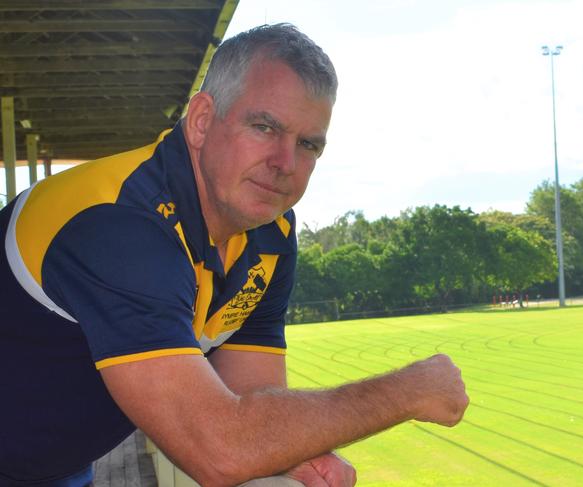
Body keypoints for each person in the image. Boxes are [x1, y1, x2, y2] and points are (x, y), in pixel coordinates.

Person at [0, 24, 469, 486]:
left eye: (308, 145)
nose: (285, 163)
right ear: (202, 120)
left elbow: (251, 395)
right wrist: (406, 391)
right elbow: (219, 449)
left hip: (54, 465)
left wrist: (290, 456)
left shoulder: (269, 232)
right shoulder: (120, 224)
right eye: (265, 127)